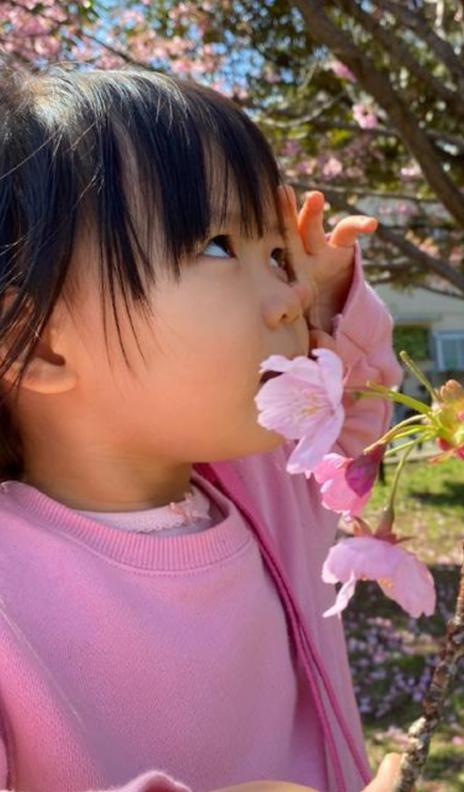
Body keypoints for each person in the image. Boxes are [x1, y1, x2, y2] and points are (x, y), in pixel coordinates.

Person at [0, 64, 405, 792]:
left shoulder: (264, 492)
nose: (287, 297)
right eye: (220, 246)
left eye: (277, 255)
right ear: (41, 347)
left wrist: (332, 310)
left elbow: (345, 428)